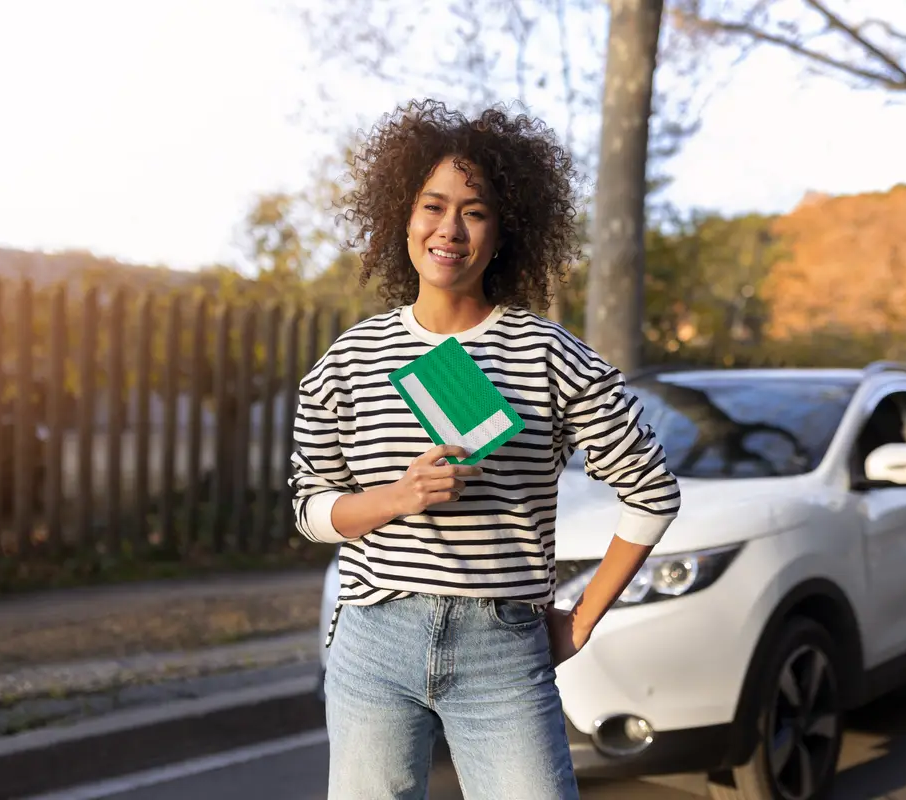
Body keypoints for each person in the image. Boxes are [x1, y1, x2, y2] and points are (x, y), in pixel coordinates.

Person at [289, 99, 681, 800]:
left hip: (502, 644)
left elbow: (651, 494)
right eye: (432, 206)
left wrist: (583, 617)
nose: (450, 229)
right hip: (373, 637)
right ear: (402, 217)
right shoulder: (348, 361)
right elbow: (310, 507)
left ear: (505, 232)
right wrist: (398, 498)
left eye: (475, 210)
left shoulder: (550, 355)